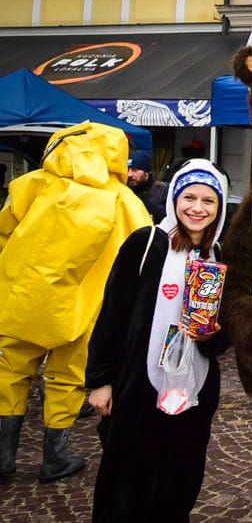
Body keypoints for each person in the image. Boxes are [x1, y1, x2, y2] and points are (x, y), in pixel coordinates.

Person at [0, 122, 151, 482]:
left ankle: (4, 455)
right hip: (85, 308)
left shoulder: (31, 185)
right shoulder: (124, 201)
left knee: (10, 373)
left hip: (24, 298)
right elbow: (143, 254)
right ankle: (54, 457)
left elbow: (4, 231)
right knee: (66, 378)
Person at [85, 159, 230, 521]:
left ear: (220, 207)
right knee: (125, 482)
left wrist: (212, 335)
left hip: (193, 391)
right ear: (175, 199)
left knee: (179, 481)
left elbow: (221, 336)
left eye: (209, 201)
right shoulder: (147, 243)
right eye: (190, 198)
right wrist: (101, 380)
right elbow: (112, 315)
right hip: (138, 386)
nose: (198, 208)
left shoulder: (218, 255)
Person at [127, 149, 167, 223]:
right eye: (128, 170)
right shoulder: (125, 192)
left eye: (135, 170)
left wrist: (150, 201)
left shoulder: (162, 191)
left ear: (147, 172)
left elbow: (169, 221)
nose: (129, 174)